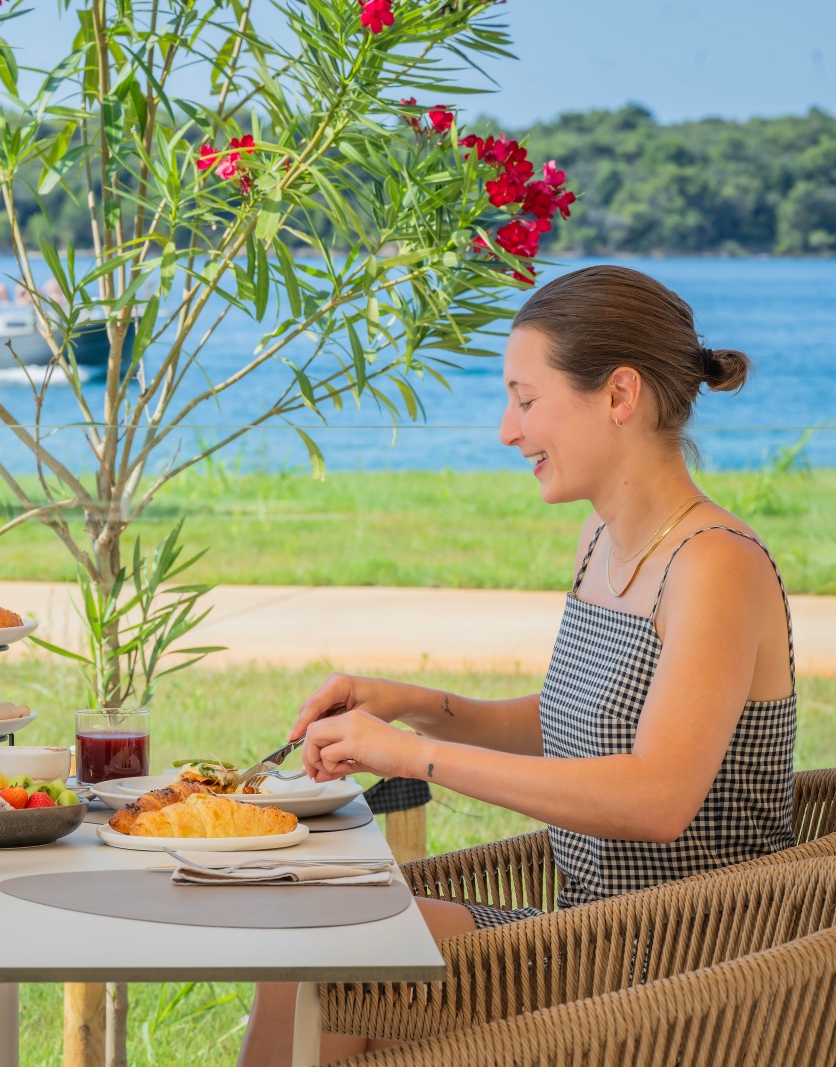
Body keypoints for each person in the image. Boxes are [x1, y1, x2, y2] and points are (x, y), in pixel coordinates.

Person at [238, 265, 796, 1064]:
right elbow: (578, 721)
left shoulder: (716, 565)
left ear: (619, 396)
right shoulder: (604, 541)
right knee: (317, 932)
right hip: (588, 939)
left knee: (326, 940)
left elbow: (656, 797)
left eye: (526, 400)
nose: (507, 429)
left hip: (689, 972)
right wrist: (413, 703)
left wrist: (413, 754)